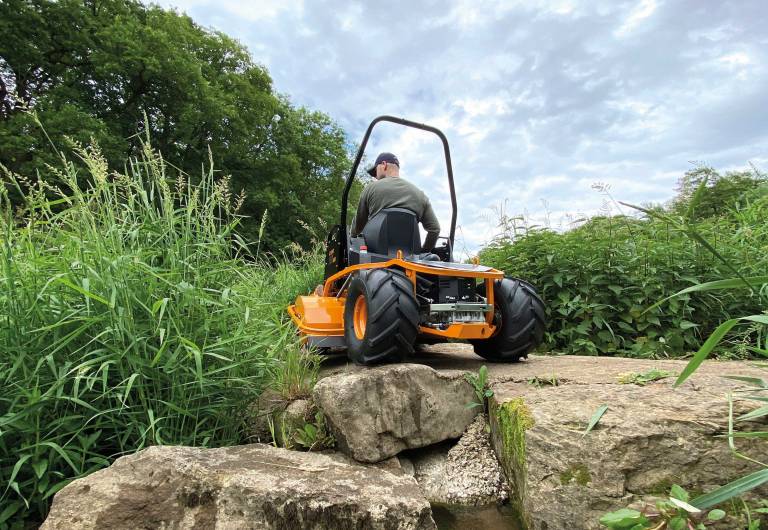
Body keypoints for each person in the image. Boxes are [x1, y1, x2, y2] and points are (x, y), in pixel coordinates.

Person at [351, 152, 441, 251]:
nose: (375, 176)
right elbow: (435, 229)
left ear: (384, 165)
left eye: (375, 171)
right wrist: (423, 252)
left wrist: (352, 241)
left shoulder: (370, 189)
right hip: (410, 258)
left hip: (373, 255)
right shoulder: (421, 195)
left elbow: (357, 228)